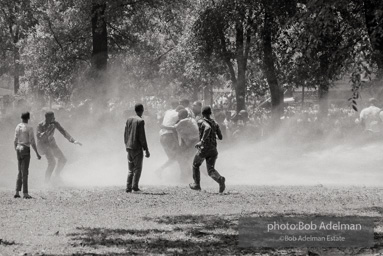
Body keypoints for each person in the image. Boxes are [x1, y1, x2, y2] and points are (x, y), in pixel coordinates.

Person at [37, 111, 82, 183]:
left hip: (52, 144)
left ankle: (56, 176)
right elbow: (39, 136)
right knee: (52, 163)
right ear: (47, 118)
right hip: (44, 146)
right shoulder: (40, 125)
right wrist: (44, 133)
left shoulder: (55, 124)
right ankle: (46, 182)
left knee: (63, 159)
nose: (54, 119)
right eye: (52, 117)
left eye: (54, 117)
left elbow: (63, 132)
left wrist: (73, 141)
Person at [189, 106, 226, 193]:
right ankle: (219, 179)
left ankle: (196, 184)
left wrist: (202, 141)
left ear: (202, 113)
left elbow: (207, 128)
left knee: (195, 164)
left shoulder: (201, 121)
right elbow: (220, 137)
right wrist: (213, 136)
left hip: (204, 149)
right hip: (213, 150)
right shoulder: (215, 123)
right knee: (210, 170)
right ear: (210, 113)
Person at [14, 112, 41, 199]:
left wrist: (16, 149)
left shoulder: (18, 126)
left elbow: (15, 140)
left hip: (18, 148)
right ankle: (25, 193)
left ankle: (17, 192)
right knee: (25, 172)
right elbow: (32, 141)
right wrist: (37, 153)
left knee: (19, 171)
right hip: (25, 148)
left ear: (21, 117)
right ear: (28, 118)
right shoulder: (29, 128)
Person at [124, 103, 150, 192]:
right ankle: (135, 187)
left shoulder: (129, 119)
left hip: (129, 147)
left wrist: (126, 145)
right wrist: (146, 149)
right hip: (137, 148)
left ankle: (128, 187)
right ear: (142, 110)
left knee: (130, 169)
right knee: (138, 168)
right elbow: (142, 137)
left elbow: (125, 134)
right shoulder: (140, 121)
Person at [158, 101, 180, 170]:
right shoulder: (178, 114)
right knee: (177, 156)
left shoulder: (168, 112)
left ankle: (161, 170)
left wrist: (163, 126)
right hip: (169, 136)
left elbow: (160, 121)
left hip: (162, 136)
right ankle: (160, 170)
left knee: (173, 157)